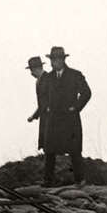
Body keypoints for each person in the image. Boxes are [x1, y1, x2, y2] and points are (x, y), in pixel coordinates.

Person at [41, 45, 92, 186]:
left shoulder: (75, 75)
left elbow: (86, 93)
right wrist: (47, 108)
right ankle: (48, 181)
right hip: (53, 120)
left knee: (74, 151)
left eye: (56, 59)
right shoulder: (48, 78)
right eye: (52, 60)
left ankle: (80, 180)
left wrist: (75, 108)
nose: (54, 63)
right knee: (49, 151)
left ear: (63, 60)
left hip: (70, 119)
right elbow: (42, 96)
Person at [25, 55, 49, 153]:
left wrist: (34, 116)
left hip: (52, 116)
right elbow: (42, 104)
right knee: (46, 143)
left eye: (32, 70)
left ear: (37, 68)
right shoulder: (39, 81)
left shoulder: (48, 79)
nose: (31, 73)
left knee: (51, 142)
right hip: (44, 115)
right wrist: (34, 116)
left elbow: (48, 100)